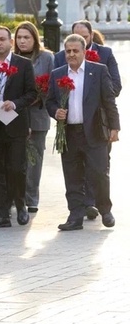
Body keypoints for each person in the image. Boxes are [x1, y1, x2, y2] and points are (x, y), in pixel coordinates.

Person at [46, 34, 120, 231]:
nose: (71, 54)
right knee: (72, 176)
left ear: (84, 51)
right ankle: (75, 216)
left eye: (75, 51)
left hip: (94, 132)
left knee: (99, 173)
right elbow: (50, 101)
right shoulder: (58, 74)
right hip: (69, 133)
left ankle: (105, 210)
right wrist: (55, 111)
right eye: (68, 51)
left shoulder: (98, 71)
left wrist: (114, 127)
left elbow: (109, 100)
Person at [0, 25, 37, 228]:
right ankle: (1, 214)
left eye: (2, 39)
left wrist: (15, 103)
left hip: (16, 125)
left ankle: (20, 206)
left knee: (16, 168)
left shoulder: (23, 64)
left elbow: (32, 93)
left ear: (10, 42)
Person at [14, 21, 55, 215]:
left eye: (26, 37)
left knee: (34, 160)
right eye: (19, 37)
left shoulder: (46, 58)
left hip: (38, 115)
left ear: (35, 39)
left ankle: (31, 198)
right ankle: (15, 196)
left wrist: (39, 96)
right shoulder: (12, 58)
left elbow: (53, 84)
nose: (22, 41)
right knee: (15, 159)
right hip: (14, 116)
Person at [53, 20, 121, 96]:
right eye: (77, 38)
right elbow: (54, 88)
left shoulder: (105, 53)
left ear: (92, 35)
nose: (81, 41)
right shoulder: (60, 57)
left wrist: (95, 100)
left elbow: (116, 85)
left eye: (85, 37)